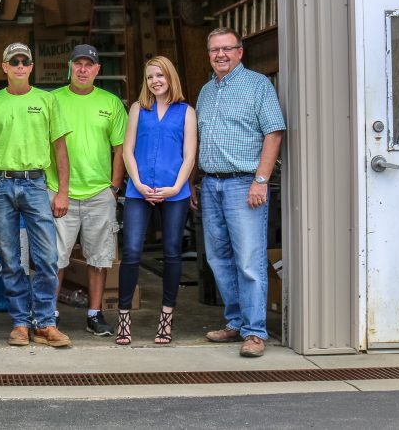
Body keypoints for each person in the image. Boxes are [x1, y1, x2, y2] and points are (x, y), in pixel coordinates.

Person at [0, 42, 73, 348]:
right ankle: (19, 322)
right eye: (13, 61)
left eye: (24, 61)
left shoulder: (47, 100)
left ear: (32, 67)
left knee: (46, 257)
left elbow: (60, 148)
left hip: (35, 184)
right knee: (9, 258)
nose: (19, 65)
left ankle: (44, 324)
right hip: (0, 184)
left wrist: (63, 192)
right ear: (4, 66)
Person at [197, 28, 285, 358]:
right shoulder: (206, 91)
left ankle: (254, 331)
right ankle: (235, 322)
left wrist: (260, 180)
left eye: (226, 49)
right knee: (218, 258)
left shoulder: (258, 85)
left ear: (239, 52)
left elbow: (274, 133)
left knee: (248, 260)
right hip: (211, 184)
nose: (220, 55)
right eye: (214, 50)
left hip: (243, 183)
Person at [116, 55, 197, 346]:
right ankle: (123, 319)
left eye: (160, 75)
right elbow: (127, 150)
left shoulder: (186, 112)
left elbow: (189, 154)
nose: (155, 81)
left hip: (175, 192)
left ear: (170, 77)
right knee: (132, 251)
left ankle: (166, 319)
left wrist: (176, 187)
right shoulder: (139, 108)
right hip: (139, 191)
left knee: (173, 252)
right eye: (150, 77)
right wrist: (136, 183)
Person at [48, 44, 127, 337]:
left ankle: (95, 314)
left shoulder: (111, 103)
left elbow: (120, 149)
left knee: (99, 257)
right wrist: (56, 189)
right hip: (59, 191)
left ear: (97, 70)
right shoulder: (52, 100)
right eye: (78, 64)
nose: (83, 69)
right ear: (70, 66)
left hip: (99, 193)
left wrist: (114, 188)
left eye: (89, 64)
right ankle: (49, 315)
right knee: (55, 258)